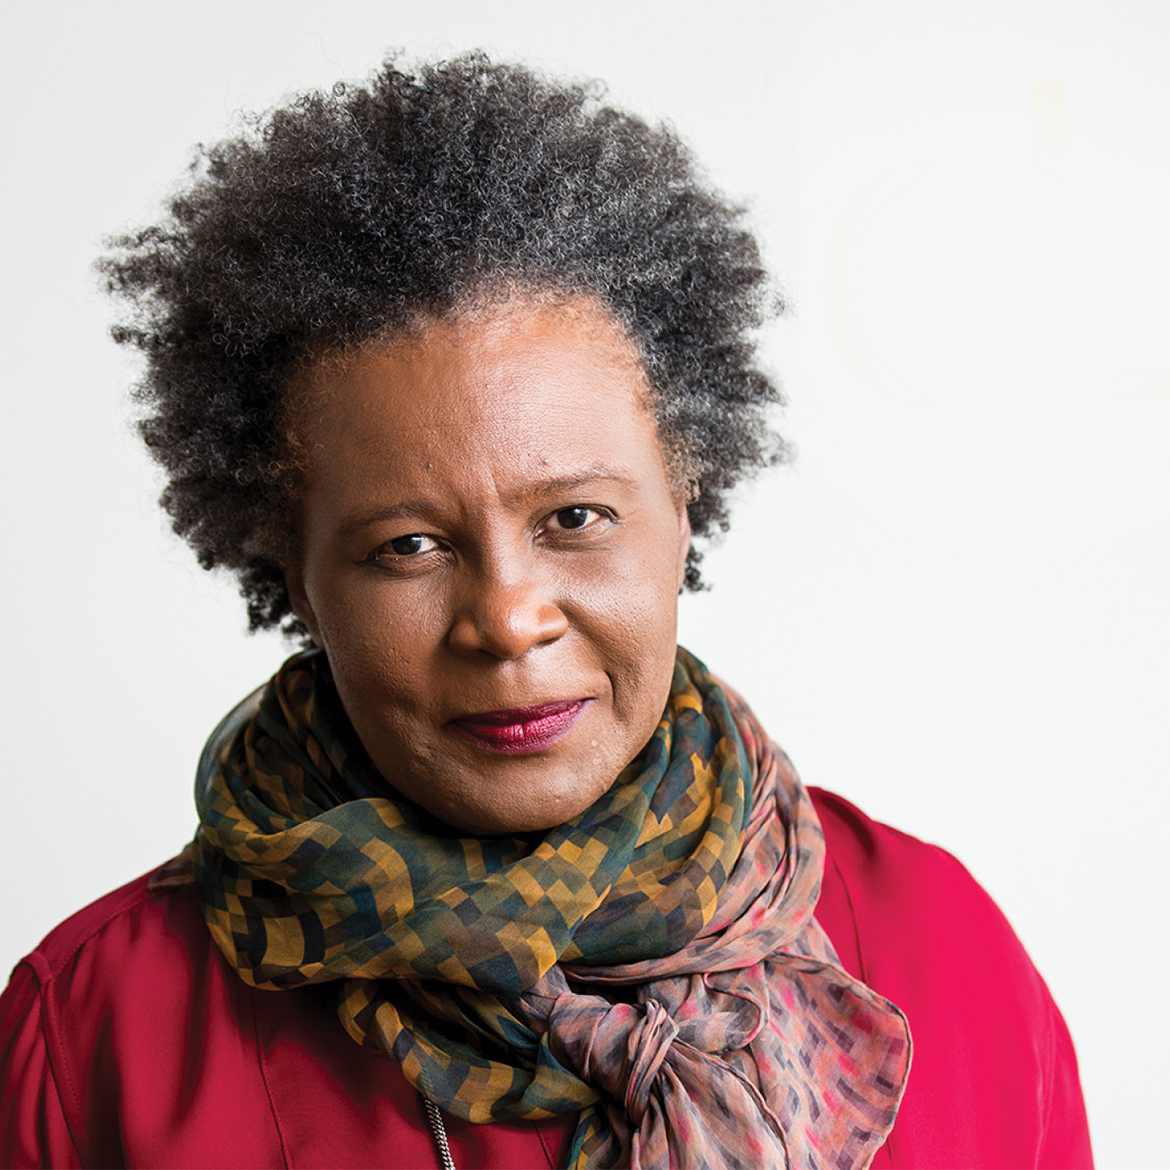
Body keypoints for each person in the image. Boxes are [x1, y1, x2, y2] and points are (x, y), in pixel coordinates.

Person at [0, 53, 1091, 1169]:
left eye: (575, 516)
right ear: (295, 574)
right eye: (407, 546)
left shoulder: (941, 950)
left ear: (683, 506)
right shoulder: (94, 1033)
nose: (510, 619)